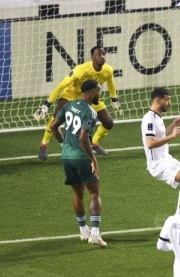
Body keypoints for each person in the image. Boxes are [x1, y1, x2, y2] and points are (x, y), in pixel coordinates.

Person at [34, 46, 122, 161]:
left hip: (90, 97)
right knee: (57, 115)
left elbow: (110, 82)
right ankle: (44, 143)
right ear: (92, 57)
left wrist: (114, 99)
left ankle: (94, 143)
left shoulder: (108, 70)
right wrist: (47, 104)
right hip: (72, 94)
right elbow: (62, 85)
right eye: (99, 55)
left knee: (108, 122)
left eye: (104, 54)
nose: (102, 57)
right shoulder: (81, 70)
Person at [50, 79, 107, 247]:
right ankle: (95, 234)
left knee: (77, 193)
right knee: (94, 192)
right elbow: (83, 138)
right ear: (89, 93)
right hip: (81, 157)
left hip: (66, 157)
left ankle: (83, 231)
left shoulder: (68, 105)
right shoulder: (90, 112)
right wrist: (93, 159)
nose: (100, 94)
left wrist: (63, 144)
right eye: (98, 91)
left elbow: (54, 127)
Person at [141, 87, 180, 215]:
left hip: (167, 159)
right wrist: (172, 136)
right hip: (157, 164)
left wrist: (173, 126)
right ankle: (178, 218)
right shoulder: (149, 119)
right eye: (167, 100)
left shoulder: (157, 117)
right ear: (158, 101)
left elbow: (160, 136)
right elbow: (150, 143)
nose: (169, 103)